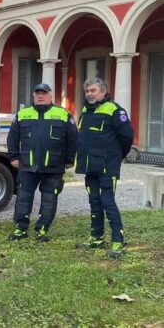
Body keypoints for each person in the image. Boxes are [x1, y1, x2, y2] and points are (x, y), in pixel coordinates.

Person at [7, 83, 78, 242]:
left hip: (53, 166)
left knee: (49, 199)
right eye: (37, 93)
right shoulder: (23, 114)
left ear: (50, 95)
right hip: (27, 165)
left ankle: (42, 229)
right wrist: (13, 157)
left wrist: (69, 160)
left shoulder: (62, 114)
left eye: (44, 93)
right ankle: (20, 228)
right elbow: (12, 138)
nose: (40, 96)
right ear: (33, 95)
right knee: (23, 197)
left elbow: (73, 139)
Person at [75, 78, 133, 258]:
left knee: (107, 202)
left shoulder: (115, 110)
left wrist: (117, 157)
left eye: (93, 90)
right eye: (87, 91)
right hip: (90, 166)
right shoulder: (86, 110)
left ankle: (118, 240)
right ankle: (97, 237)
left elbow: (127, 137)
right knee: (94, 201)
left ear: (103, 91)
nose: (89, 94)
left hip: (107, 166)